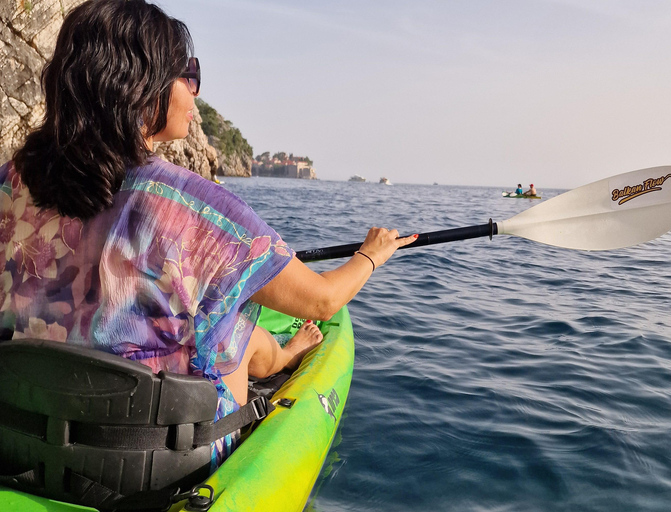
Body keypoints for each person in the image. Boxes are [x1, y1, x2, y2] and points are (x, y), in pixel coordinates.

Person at [2, 0, 416, 468]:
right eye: (189, 74)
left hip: (24, 434)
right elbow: (322, 301)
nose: (195, 92)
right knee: (231, 306)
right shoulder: (200, 210)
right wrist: (371, 255)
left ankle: (274, 354)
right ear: (143, 86)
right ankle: (277, 359)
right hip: (154, 461)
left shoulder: (8, 183)